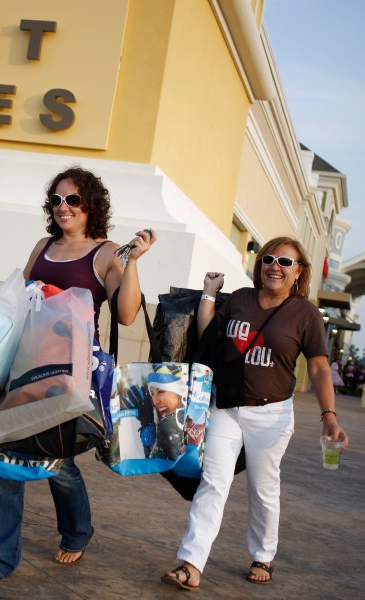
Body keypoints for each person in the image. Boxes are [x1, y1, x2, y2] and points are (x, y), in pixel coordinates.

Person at [0, 166, 156, 580]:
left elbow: (125, 314)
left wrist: (133, 261)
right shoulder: (43, 245)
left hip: (74, 370)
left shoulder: (107, 251)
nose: (63, 207)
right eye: (57, 200)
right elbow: (22, 299)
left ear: (91, 205)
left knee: (57, 458)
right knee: (7, 447)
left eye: (73, 200)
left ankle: (77, 530)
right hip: (28, 363)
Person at [163, 236, 348, 591]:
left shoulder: (305, 314)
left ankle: (263, 554)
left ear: (299, 273)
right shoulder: (242, 300)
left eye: (285, 262)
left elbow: (321, 369)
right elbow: (208, 337)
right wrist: (209, 292)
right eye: (268, 259)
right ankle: (191, 562)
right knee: (214, 482)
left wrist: (329, 415)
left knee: (262, 488)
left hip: (271, 414)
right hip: (227, 409)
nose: (274, 266)